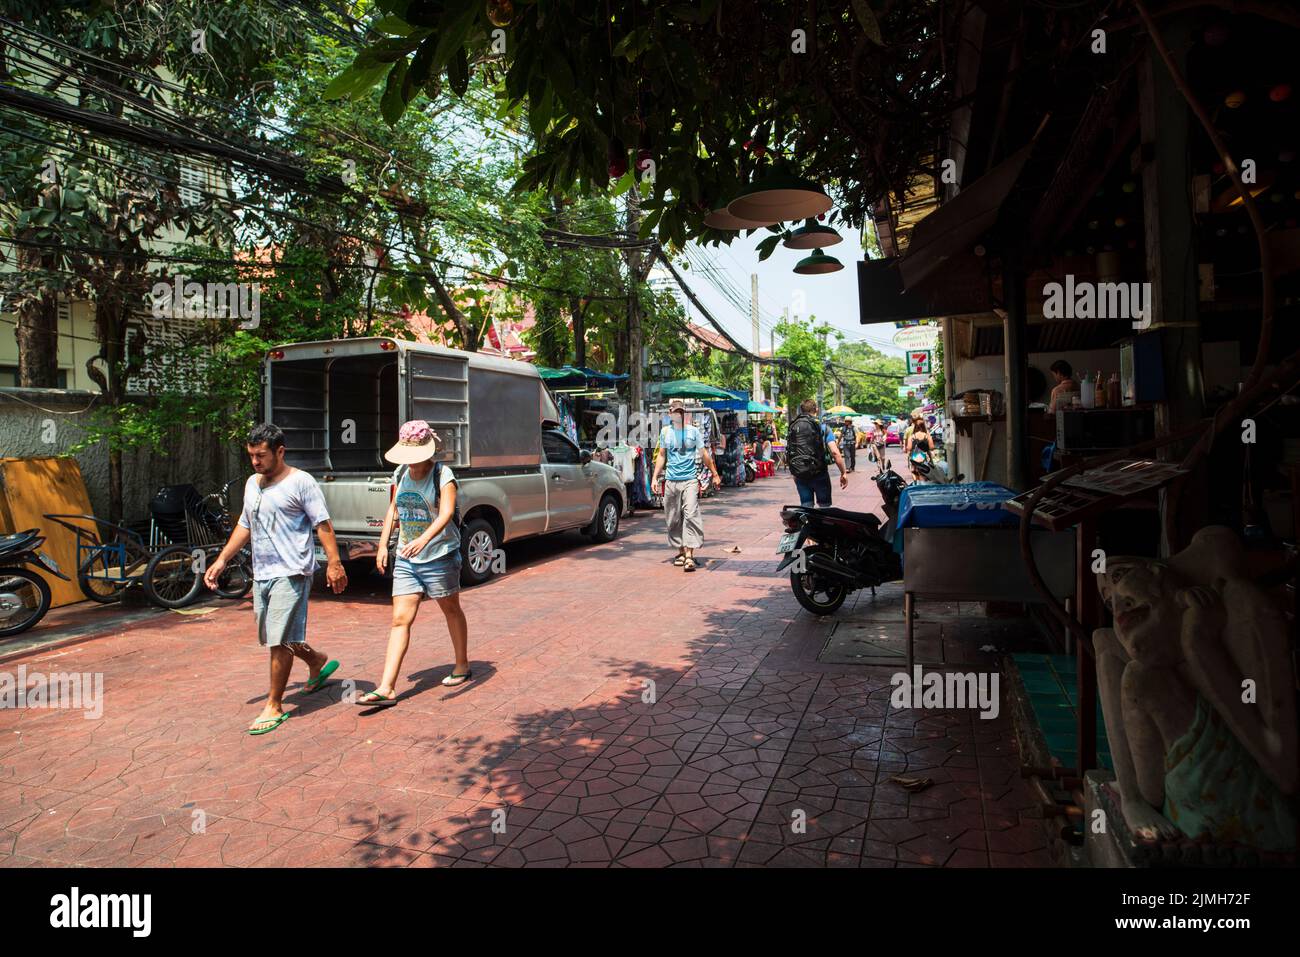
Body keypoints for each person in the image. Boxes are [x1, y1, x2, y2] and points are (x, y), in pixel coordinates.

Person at [205, 423, 347, 735]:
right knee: (275, 634)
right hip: (263, 573)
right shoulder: (252, 484)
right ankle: (317, 660)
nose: (255, 461)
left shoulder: (301, 483)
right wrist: (222, 559)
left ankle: (274, 705)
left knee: (279, 640)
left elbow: (322, 524)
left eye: (261, 455)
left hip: (292, 571)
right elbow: (245, 525)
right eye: (252, 455)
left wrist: (334, 563)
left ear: (279, 452)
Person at [357, 421, 471, 706]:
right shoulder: (400, 472)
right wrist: (383, 545)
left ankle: (462, 664)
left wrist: (426, 539)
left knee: (450, 608)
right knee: (400, 620)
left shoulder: (443, 475)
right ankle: (386, 687)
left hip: (440, 555)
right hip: (408, 558)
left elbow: (445, 513)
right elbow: (393, 509)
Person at [652, 400, 721, 572]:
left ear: (685, 414)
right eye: (675, 412)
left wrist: (715, 473)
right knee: (673, 517)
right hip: (670, 480)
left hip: (689, 480)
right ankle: (681, 551)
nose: (678, 415)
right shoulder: (665, 432)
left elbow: (704, 453)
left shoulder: (693, 432)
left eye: (681, 412)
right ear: (670, 413)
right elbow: (662, 456)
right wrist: (654, 477)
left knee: (690, 514)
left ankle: (689, 556)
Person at [785, 399, 848, 506]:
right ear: (817, 410)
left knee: (806, 507)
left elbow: (790, 450)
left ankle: (808, 523)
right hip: (820, 473)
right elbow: (835, 452)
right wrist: (843, 472)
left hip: (800, 474)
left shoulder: (795, 427)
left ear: (802, 410)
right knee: (825, 508)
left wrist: (794, 472)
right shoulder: (823, 427)